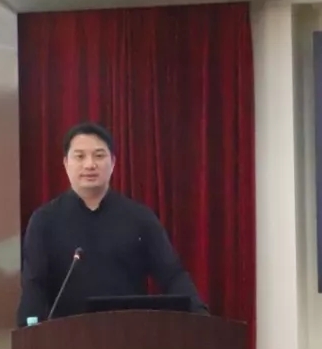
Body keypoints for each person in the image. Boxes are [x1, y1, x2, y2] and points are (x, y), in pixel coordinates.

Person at [16, 121, 208, 325]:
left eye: (99, 156)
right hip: (67, 337)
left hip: (128, 334)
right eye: (80, 156)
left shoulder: (139, 218)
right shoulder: (44, 220)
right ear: (65, 163)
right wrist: (28, 330)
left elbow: (172, 275)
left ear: (113, 162)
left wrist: (200, 314)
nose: (90, 165)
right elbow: (34, 285)